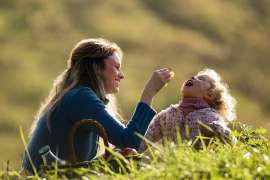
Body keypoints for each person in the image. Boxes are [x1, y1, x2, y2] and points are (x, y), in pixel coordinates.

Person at [21, 38, 174, 174]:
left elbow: (75, 165)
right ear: (96, 68)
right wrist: (149, 92)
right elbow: (129, 140)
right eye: (116, 67)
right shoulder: (81, 98)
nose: (121, 75)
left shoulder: (77, 95)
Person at [139, 68, 237, 151]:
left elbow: (232, 141)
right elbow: (144, 140)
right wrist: (131, 150)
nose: (193, 77)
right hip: (172, 168)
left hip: (198, 169)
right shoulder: (167, 115)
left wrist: (216, 130)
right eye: (194, 76)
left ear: (210, 94)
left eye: (201, 79)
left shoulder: (210, 117)